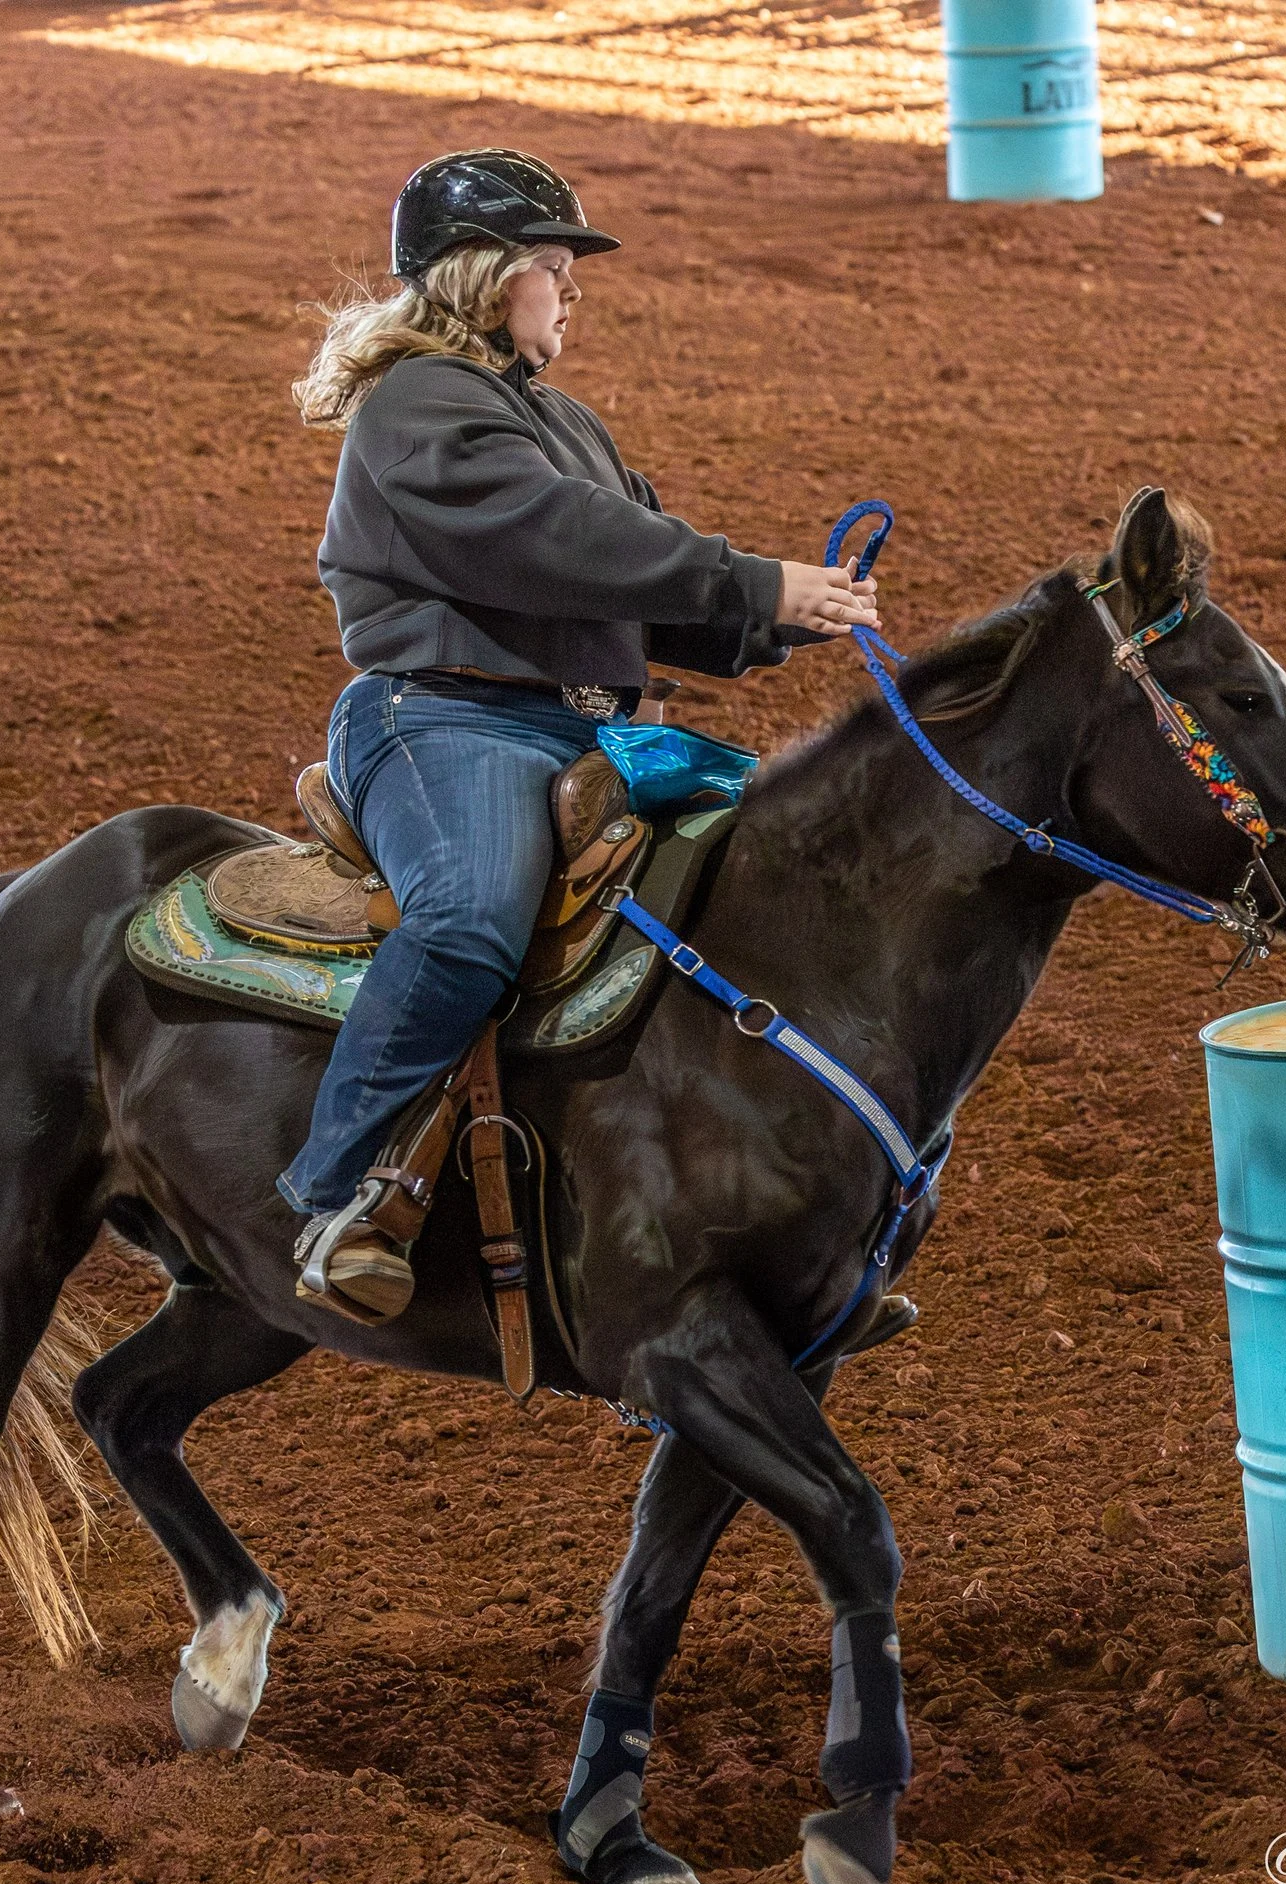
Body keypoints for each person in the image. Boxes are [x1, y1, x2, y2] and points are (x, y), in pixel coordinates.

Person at [280, 149, 875, 1321]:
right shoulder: (421, 405)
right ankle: (330, 1192)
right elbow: (558, 537)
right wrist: (756, 583)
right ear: (490, 279)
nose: (570, 298)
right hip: (445, 721)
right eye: (556, 271)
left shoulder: (563, 421)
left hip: (584, 738)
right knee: (464, 921)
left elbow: (627, 572)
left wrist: (779, 617)